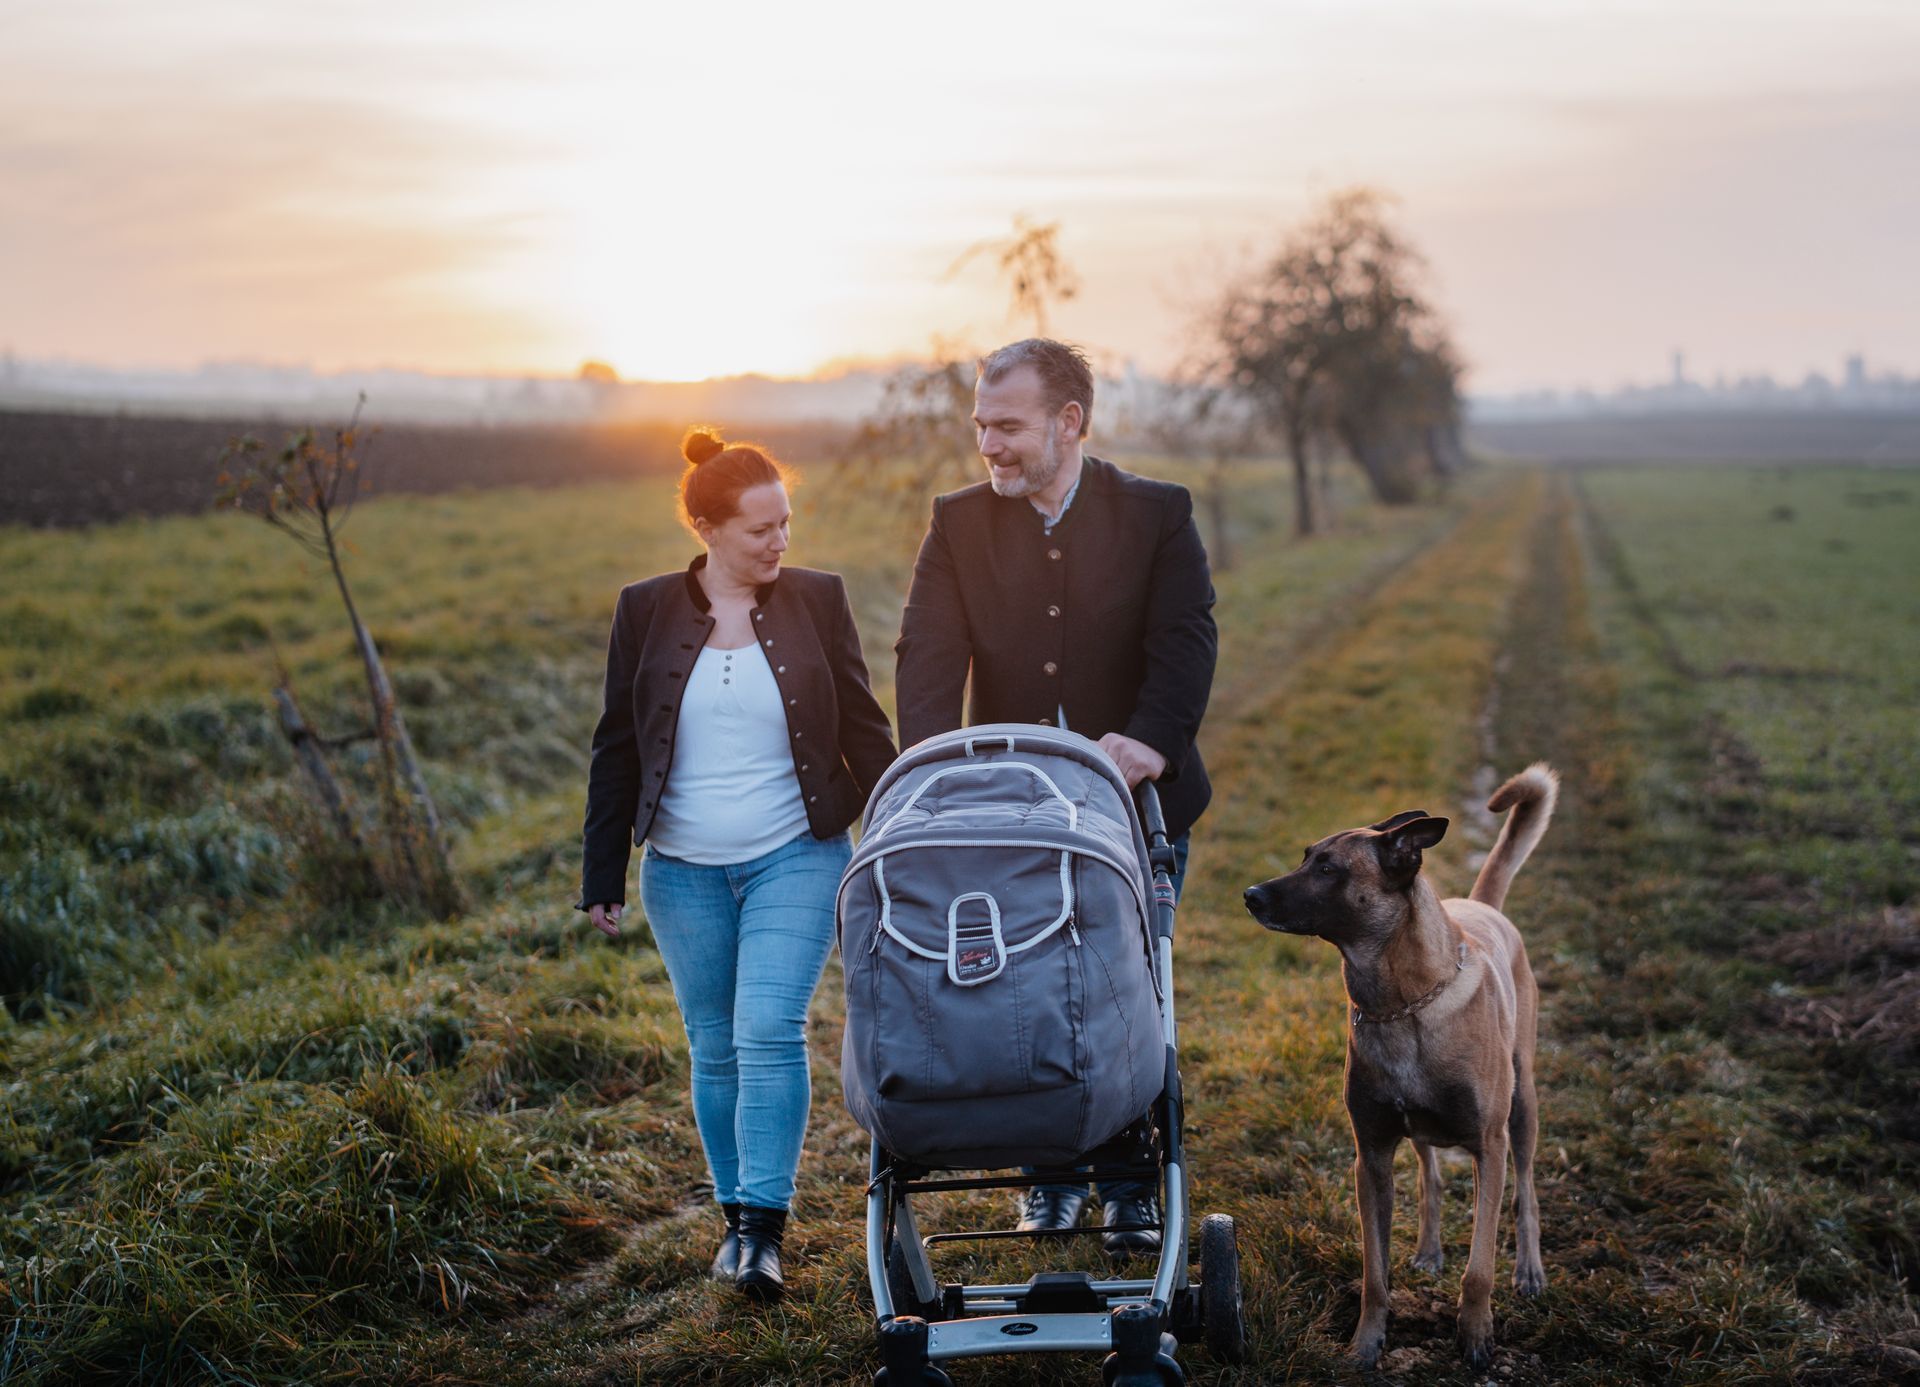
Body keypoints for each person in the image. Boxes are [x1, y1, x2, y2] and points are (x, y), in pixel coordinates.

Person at [893, 338, 1217, 1256]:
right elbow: (926, 652)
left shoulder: (1154, 513)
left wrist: (1152, 738)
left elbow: (1186, 639)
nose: (988, 445)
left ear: (1069, 423)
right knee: (1025, 990)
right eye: (980, 427)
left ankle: (1128, 1187)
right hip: (1008, 812)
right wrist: (930, 765)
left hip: (1134, 807)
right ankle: (1051, 1182)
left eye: (1007, 427)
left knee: (1123, 988)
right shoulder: (959, 523)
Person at [578, 428, 897, 1302]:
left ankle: (763, 1231)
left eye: (787, 523)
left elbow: (867, 732)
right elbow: (615, 746)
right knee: (713, 1046)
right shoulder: (642, 609)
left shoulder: (816, 600)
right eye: (761, 529)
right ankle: (732, 1219)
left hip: (797, 852)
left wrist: (910, 833)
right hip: (680, 870)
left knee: (766, 1028)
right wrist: (601, 873)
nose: (780, 543)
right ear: (707, 526)